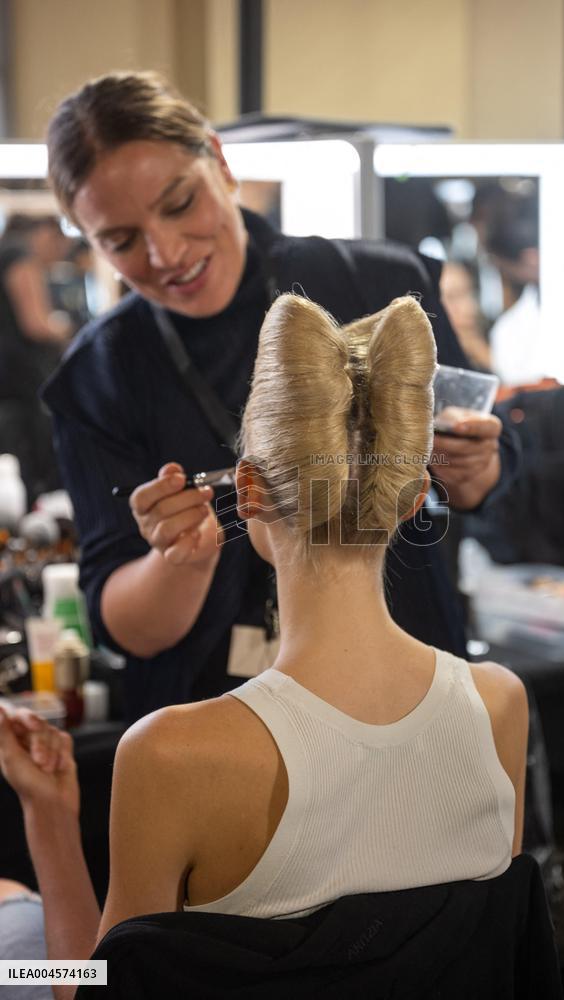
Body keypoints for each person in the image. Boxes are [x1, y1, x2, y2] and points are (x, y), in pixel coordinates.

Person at [0, 293, 529, 999]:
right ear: (412, 498)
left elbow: (90, 988)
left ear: (246, 490)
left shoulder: (173, 754)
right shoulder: (499, 705)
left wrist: (51, 826)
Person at [41, 71, 519, 722]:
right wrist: (178, 561)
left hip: (402, 685)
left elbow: (485, 474)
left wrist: (475, 466)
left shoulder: (377, 285)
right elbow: (123, 624)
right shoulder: (99, 377)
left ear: (220, 162)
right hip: (215, 713)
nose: (167, 252)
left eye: (179, 204)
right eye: (121, 241)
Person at [0, 214, 72, 502]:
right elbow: (37, 323)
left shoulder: (6, 250)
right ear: (46, 232)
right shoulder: (20, 255)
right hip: (21, 375)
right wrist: (73, 333)